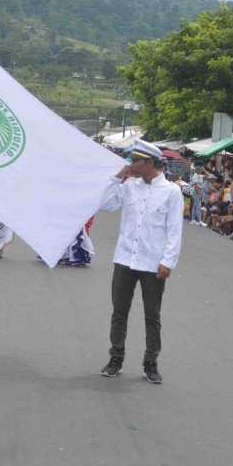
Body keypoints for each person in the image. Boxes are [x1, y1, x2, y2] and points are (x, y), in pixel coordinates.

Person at [98, 139, 182, 383]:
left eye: (134, 161)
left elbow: (174, 230)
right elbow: (106, 205)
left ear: (148, 162)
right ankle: (116, 358)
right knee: (119, 312)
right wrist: (118, 177)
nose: (130, 164)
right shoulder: (129, 187)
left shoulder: (171, 192)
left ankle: (150, 362)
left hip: (153, 263)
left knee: (152, 315)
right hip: (125, 259)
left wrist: (168, 261)